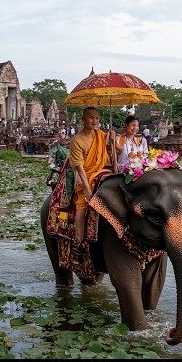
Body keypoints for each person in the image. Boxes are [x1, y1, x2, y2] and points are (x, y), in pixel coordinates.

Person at [69, 107, 113, 261]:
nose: (95, 121)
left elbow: (113, 154)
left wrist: (113, 141)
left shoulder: (101, 135)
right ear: (83, 119)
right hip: (85, 178)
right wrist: (87, 189)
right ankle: (78, 244)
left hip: (102, 174)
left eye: (97, 118)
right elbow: (79, 167)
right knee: (81, 209)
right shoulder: (77, 141)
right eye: (91, 118)